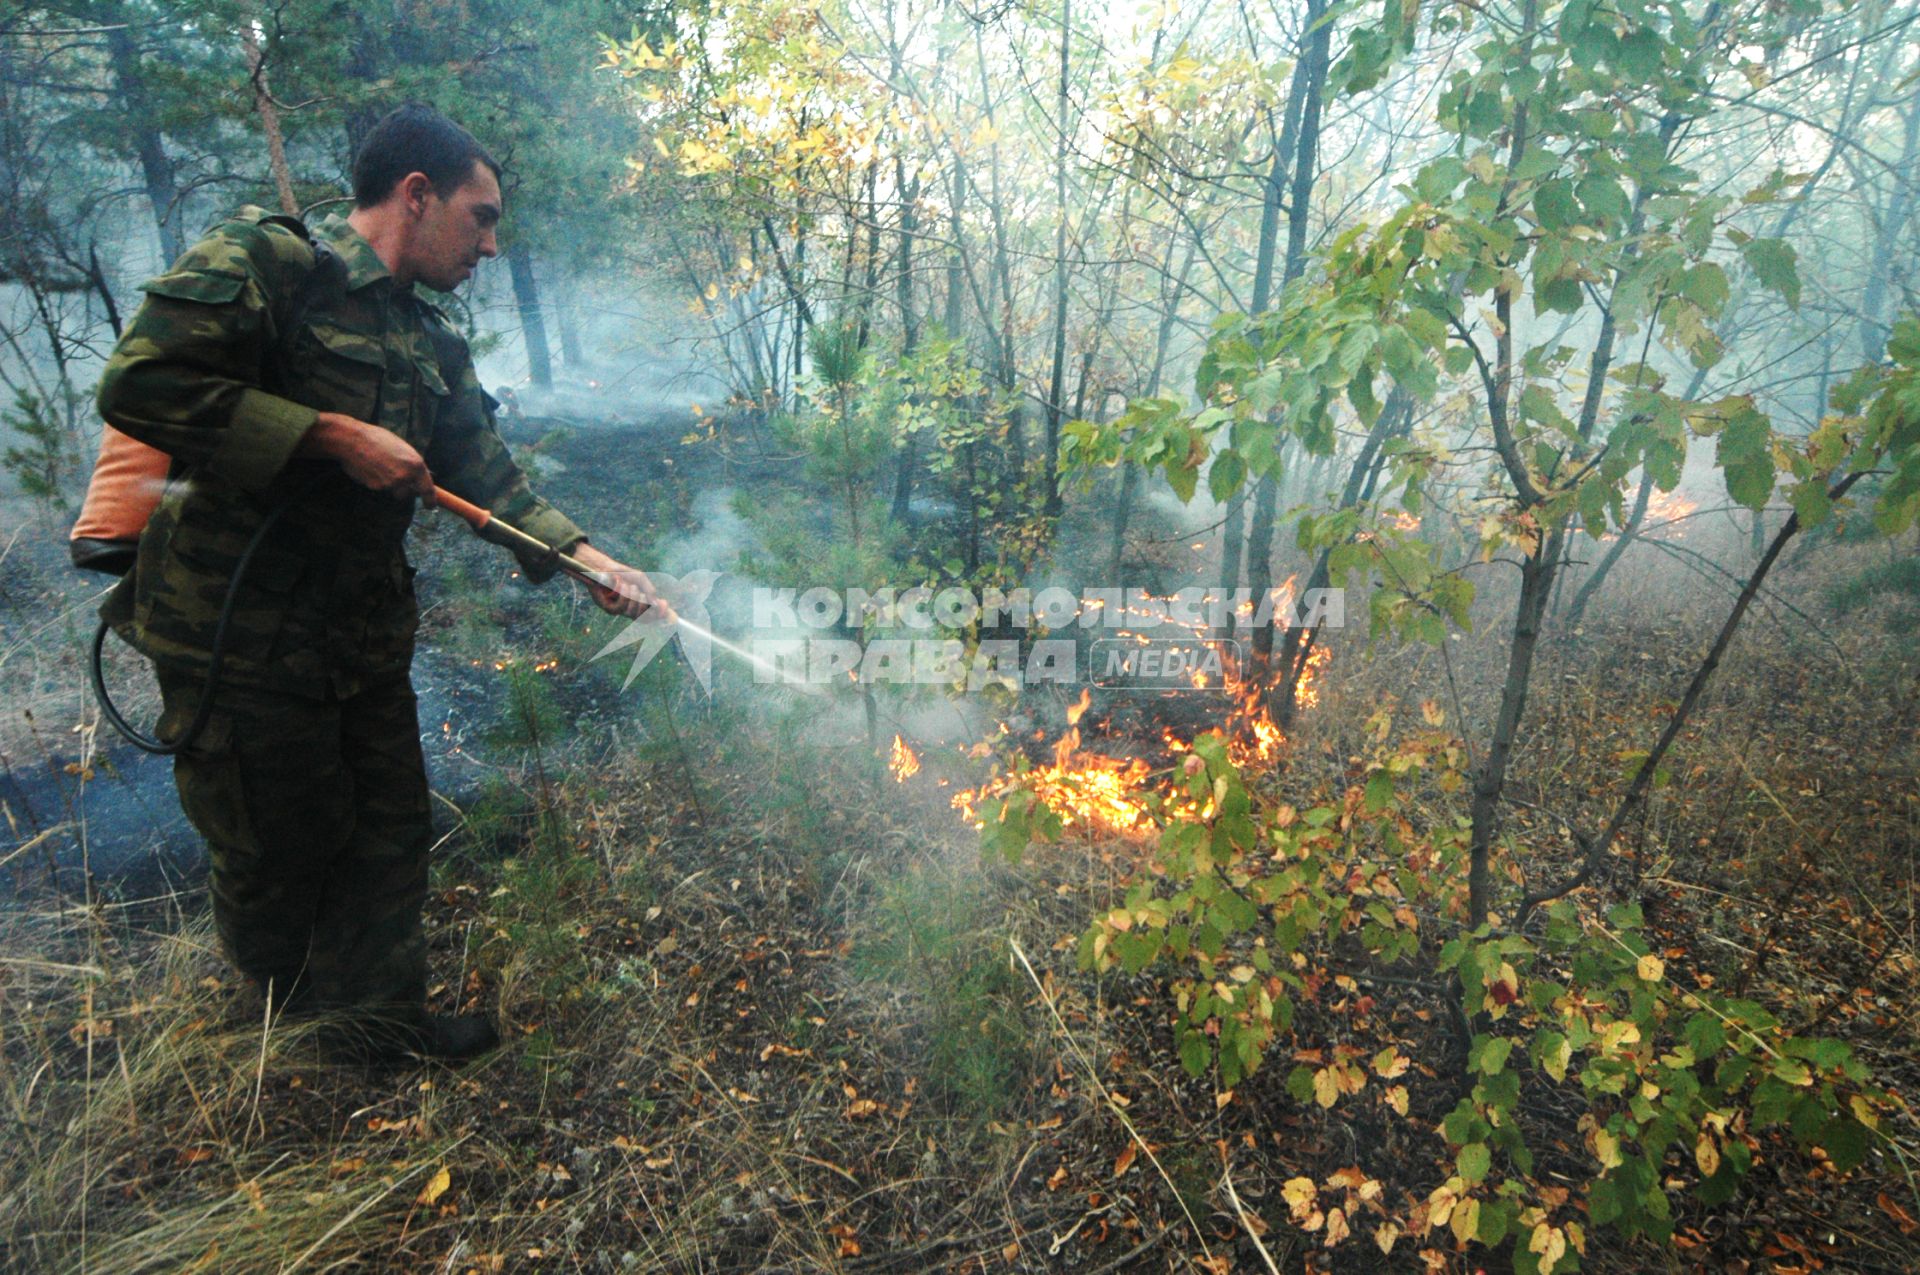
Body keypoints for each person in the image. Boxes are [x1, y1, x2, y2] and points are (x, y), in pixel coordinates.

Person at [94, 104, 658, 1062]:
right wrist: (326, 433)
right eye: (480, 217)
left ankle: (380, 1029)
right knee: (277, 848)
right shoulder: (272, 270)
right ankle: (281, 1040)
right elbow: (138, 386)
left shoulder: (429, 342)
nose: (492, 241)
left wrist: (587, 558)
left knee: (390, 832)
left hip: (356, 635)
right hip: (240, 635)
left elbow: (488, 476)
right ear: (416, 195)